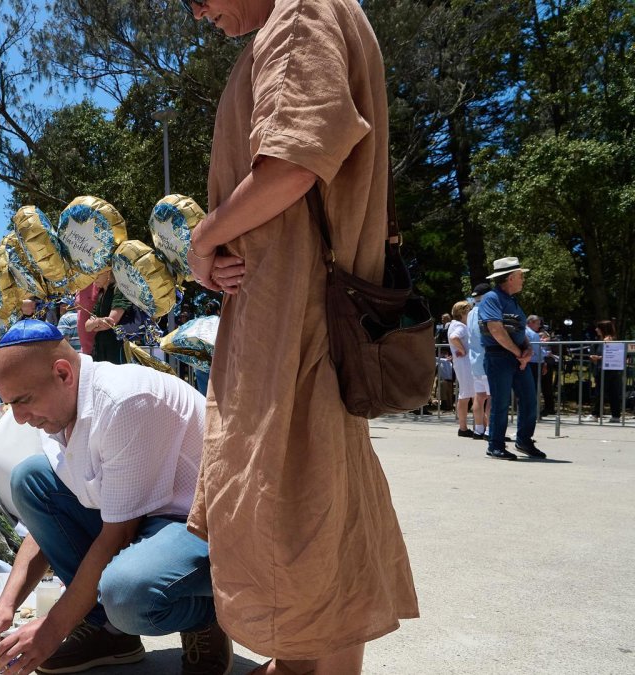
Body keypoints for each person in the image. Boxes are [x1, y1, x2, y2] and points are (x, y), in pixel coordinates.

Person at [182, 0, 418, 672]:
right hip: (292, 322)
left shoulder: (301, 15)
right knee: (318, 523)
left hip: (295, 328)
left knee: (298, 522)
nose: (200, 15)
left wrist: (205, 237)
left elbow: (296, 162)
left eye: (199, 0)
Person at [0, 320, 227, 675]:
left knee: (127, 593)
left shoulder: (124, 401)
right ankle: (110, 633)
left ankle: (205, 615)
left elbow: (117, 536)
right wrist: (7, 604)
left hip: (199, 526)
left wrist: (50, 631)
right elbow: (48, 526)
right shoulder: (63, 410)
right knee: (30, 480)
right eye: (9, 403)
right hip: (145, 518)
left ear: (63, 373)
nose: (19, 417)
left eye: (23, 401)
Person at [478, 257, 544, 460]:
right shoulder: (491, 298)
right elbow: (495, 329)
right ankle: (495, 445)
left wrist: (527, 350)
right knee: (500, 402)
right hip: (499, 357)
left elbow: (518, 329)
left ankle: (524, 440)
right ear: (510, 278)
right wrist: (519, 353)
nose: (523, 279)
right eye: (520, 276)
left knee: (529, 400)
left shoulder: (511, 300)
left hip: (514, 357)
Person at [84, 269, 131, 365]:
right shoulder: (100, 294)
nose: (94, 279)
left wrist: (95, 324)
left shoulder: (119, 290)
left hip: (116, 347)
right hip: (100, 348)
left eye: (97, 276)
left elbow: (110, 322)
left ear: (108, 272)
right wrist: (97, 322)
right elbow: (87, 327)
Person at [465, 283, 493, 439]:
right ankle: (489, 430)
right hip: (487, 359)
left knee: (479, 396)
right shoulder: (487, 311)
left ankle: (478, 429)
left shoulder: (470, 313)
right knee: (491, 397)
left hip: (474, 360)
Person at [448, 301, 478, 438]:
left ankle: (466, 426)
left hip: (461, 363)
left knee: (467, 394)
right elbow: (454, 338)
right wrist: (463, 349)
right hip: (464, 364)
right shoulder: (460, 326)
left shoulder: (455, 325)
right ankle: (463, 427)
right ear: (463, 313)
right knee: (466, 394)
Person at [588, 320, 624, 423]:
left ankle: (595, 414)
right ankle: (615, 415)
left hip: (606, 370)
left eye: (598, 328)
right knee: (613, 392)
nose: (596, 330)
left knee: (601, 392)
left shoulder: (608, 340)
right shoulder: (605, 340)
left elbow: (612, 355)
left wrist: (598, 358)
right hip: (611, 370)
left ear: (603, 329)